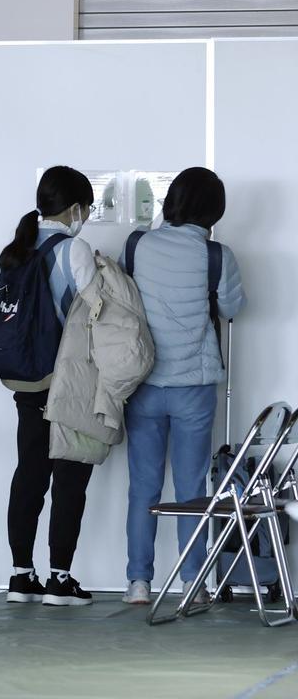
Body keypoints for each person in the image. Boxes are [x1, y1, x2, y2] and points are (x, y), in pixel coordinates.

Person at [120, 167, 244, 606]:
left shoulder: (136, 244)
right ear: (214, 209)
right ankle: (194, 580)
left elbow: (123, 299)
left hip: (144, 383)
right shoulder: (217, 255)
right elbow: (232, 308)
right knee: (192, 489)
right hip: (194, 384)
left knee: (143, 487)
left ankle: (138, 582)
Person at [1, 166, 98, 607]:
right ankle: (61, 579)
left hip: (25, 379)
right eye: (88, 209)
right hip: (66, 380)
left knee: (29, 474)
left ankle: (22, 575)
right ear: (76, 208)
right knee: (70, 475)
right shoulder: (73, 250)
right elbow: (97, 311)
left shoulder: (18, 246)